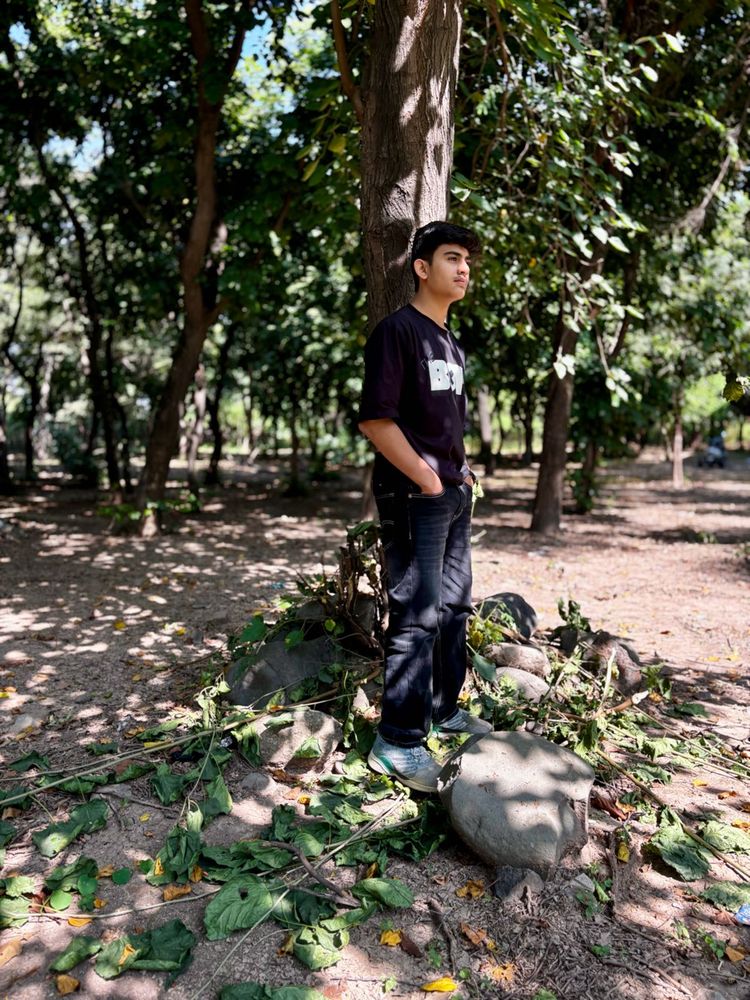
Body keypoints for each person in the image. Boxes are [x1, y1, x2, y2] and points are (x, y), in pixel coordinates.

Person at [358, 220, 491, 793]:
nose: (463, 269)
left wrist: (457, 474)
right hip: (416, 494)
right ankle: (397, 742)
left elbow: (441, 424)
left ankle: (443, 710)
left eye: (468, 261)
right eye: (452, 258)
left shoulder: (449, 341)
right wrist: (428, 479)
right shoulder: (398, 332)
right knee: (415, 613)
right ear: (421, 267)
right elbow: (375, 420)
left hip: (449, 493)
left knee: (455, 607)